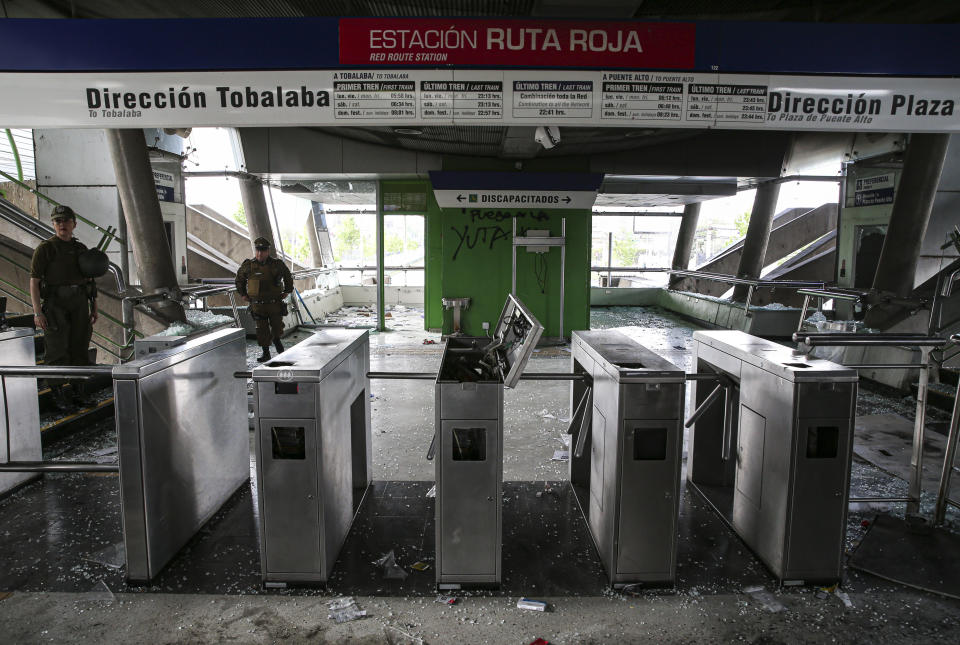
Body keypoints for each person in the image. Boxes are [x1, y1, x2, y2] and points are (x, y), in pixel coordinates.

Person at [29, 205, 98, 409]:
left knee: (79, 347)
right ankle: (58, 394)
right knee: (57, 349)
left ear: (74, 224)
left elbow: (90, 281)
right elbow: (34, 281)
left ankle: (79, 392)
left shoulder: (80, 249)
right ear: (53, 225)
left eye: (66, 221)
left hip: (79, 302)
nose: (62, 225)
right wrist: (37, 312)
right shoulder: (46, 249)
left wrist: (94, 307)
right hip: (55, 304)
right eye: (58, 221)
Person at [235, 237, 294, 362]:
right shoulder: (249, 265)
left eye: (263, 250)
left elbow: (288, 276)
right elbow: (239, 279)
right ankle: (266, 353)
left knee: (277, 327)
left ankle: (277, 341)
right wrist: (243, 294)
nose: (260, 253)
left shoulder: (277, 264)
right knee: (261, 329)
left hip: (274, 304)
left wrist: (287, 291)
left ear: (268, 251)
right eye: (257, 250)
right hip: (257, 305)